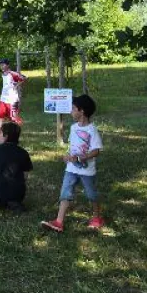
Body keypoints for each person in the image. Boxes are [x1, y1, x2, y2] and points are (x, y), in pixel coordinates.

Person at [42, 94, 103, 232]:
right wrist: (68, 156)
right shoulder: (74, 127)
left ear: (82, 111)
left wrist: (81, 158)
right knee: (65, 192)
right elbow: (73, 146)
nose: (71, 111)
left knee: (91, 194)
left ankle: (97, 217)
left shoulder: (92, 130)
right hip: (71, 169)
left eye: (74, 108)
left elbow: (96, 151)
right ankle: (59, 222)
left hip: (87, 170)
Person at [0, 122, 33, 211]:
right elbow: (25, 176)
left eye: (0, 133)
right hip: (18, 195)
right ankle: (13, 202)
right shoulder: (23, 153)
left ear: (5, 136)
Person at [0, 58, 25, 140]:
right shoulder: (3, 73)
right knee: (0, 116)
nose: (1, 66)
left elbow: (23, 78)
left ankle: (15, 136)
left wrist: (16, 85)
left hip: (12, 100)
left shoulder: (12, 73)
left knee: (14, 119)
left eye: (3, 64)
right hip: (3, 99)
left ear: (8, 65)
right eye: (0, 65)